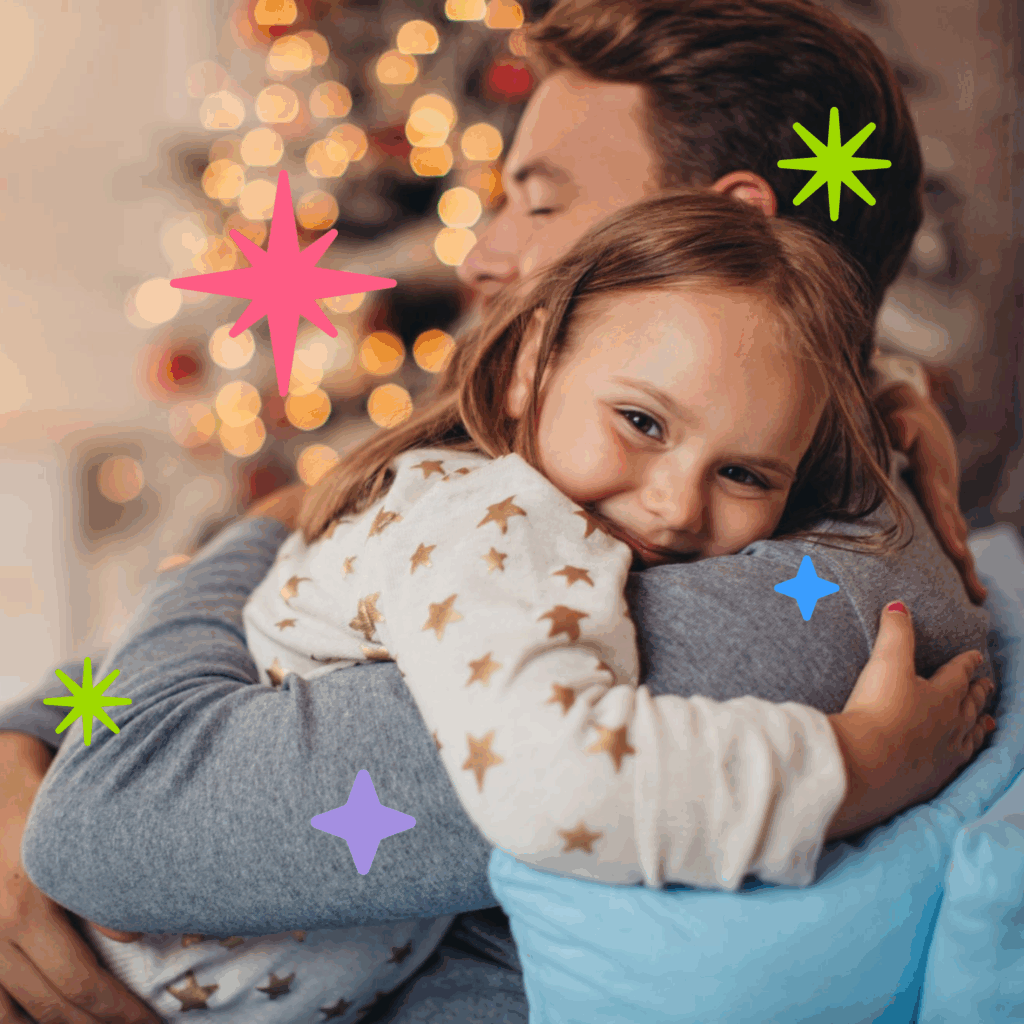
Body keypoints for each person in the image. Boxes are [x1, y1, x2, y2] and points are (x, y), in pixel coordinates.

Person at [0, 0, 992, 1021]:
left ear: (730, 224)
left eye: (541, 200)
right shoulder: (548, 491)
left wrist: (264, 527)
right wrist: (19, 738)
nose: (481, 254)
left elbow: (114, 818)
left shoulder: (803, 601)